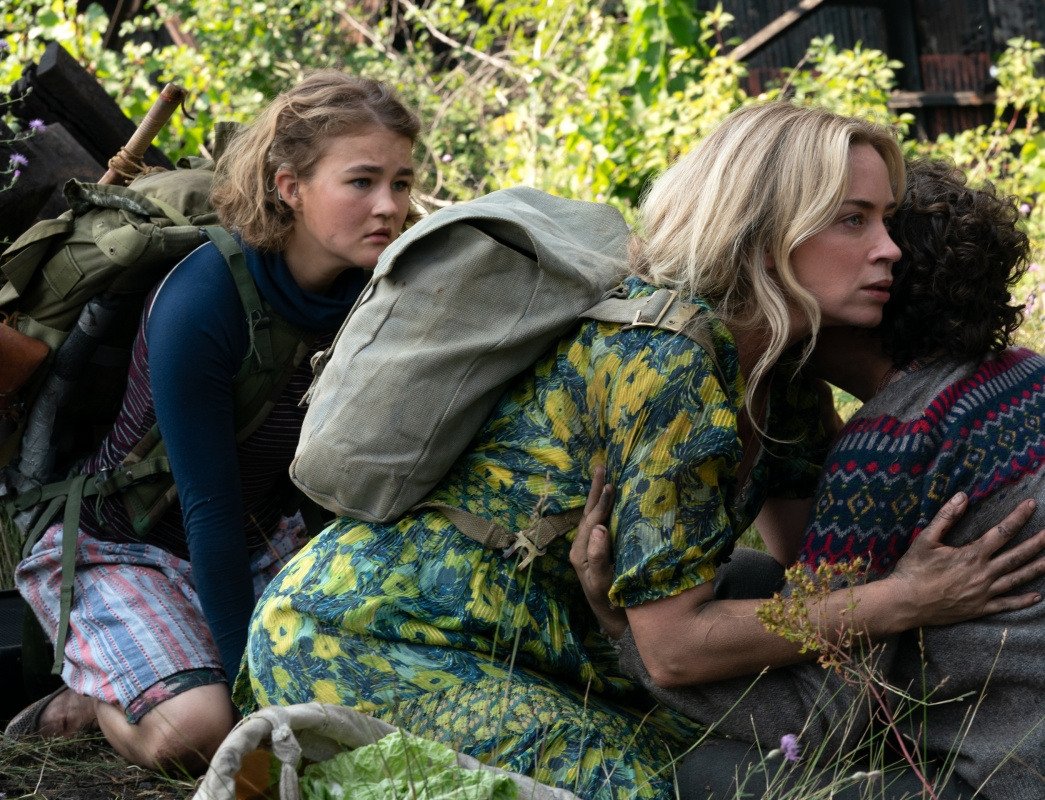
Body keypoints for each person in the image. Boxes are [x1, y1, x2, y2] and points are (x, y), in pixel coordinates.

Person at [239, 103, 1043, 800]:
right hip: (380, 634)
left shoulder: (783, 364)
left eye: (885, 219)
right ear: (767, 228)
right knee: (636, 785)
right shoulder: (667, 361)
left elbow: (815, 579)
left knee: (761, 753)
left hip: (556, 642)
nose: (889, 248)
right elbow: (676, 649)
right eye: (852, 220)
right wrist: (906, 601)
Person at [572, 158, 1045, 799]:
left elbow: (815, 721)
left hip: (993, 780)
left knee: (673, 774)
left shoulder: (892, 445)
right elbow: (804, 574)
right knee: (741, 578)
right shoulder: (1022, 373)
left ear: (877, 298)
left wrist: (620, 628)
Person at [5, 70, 420, 773]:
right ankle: (86, 702)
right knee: (203, 731)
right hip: (126, 546)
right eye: (361, 181)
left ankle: (165, 670)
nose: (389, 206)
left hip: (263, 536)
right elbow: (209, 510)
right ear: (290, 187)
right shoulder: (205, 298)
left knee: (392, 694)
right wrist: (254, 699)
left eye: (401, 183)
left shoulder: (378, 294)